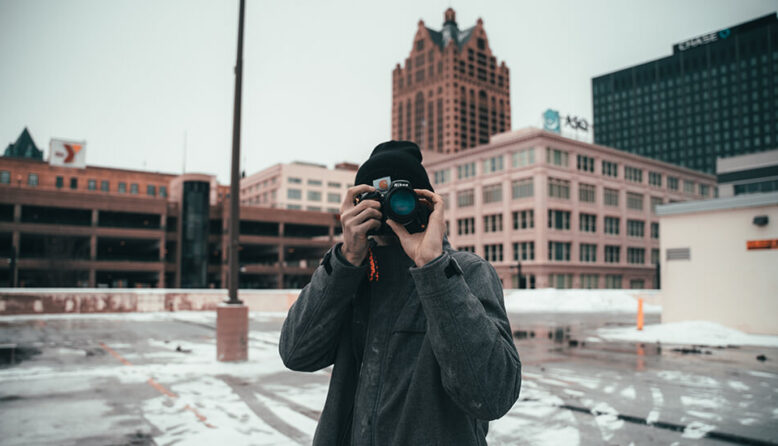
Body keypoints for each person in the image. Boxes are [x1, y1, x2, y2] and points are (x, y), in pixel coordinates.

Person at [279, 141, 521, 445]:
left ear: (426, 205)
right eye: (375, 201)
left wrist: (434, 269)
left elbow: (492, 396)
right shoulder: (351, 273)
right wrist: (344, 260)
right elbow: (296, 353)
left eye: (401, 198)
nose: (390, 209)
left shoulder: (464, 272)